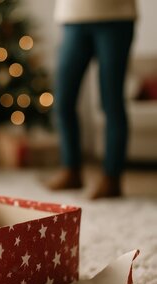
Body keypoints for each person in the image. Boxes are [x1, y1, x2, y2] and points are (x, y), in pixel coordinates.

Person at [48, 0, 137, 198]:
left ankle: (112, 177)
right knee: (63, 102)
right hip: (72, 17)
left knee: (111, 103)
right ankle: (71, 170)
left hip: (116, 18)